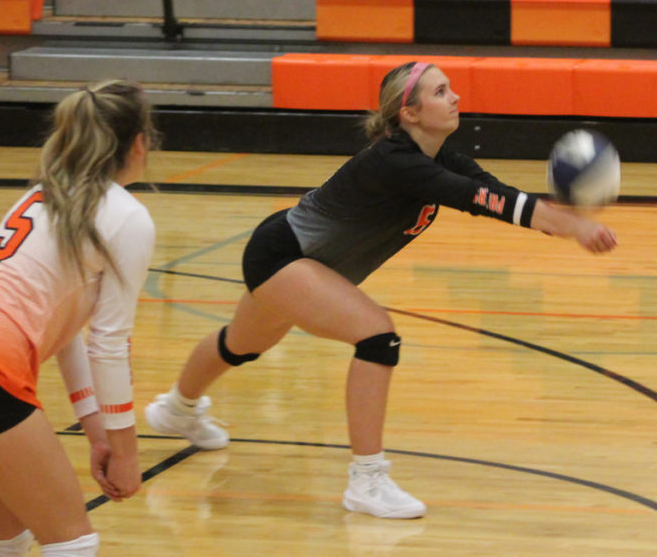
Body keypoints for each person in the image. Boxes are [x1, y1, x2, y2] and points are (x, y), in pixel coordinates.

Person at [143, 61, 618, 520]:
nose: (454, 97)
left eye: (450, 87)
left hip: (300, 259)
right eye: (439, 91)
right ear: (408, 114)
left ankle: (175, 409)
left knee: (240, 344)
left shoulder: (440, 156)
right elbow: (483, 200)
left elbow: (498, 195)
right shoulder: (395, 160)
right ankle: (366, 481)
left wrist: (562, 222)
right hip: (284, 256)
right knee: (377, 337)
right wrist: (572, 225)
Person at [0, 79, 157, 556]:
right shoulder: (126, 216)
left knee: (6, 535)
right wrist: (125, 452)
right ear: (140, 142)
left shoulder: (48, 193)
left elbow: (65, 334)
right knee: (72, 541)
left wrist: (96, 429)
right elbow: (109, 345)